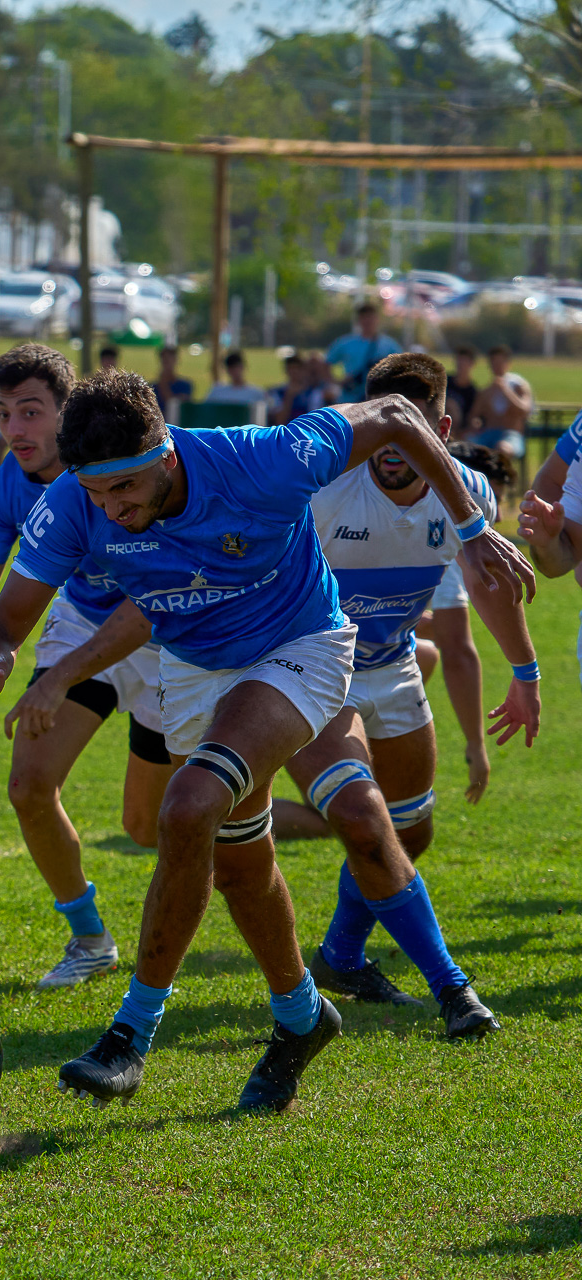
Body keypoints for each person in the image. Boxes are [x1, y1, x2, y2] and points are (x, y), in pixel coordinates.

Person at [0, 369, 533, 1111]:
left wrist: (472, 528)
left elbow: (397, 413)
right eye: (100, 494)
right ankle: (301, 1016)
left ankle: (130, 1035)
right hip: (196, 669)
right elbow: (3, 622)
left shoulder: (264, 457)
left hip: (300, 651)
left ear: (167, 453)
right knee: (240, 866)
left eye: (127, 489)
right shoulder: (75, 504)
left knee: (186, 805)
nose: (115, 510)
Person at [263, 355, 528, 1031]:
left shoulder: (467, 491)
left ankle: (342, 956)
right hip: (312, 671)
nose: (389, 446)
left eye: (407, 428)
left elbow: (487, 587)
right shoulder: (324, 488)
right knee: (361, 815)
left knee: (414, 827)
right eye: (375, 426)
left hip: (394, 665)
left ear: (440, 427)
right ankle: (453, 991)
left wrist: (525, 674)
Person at [0, 343, 172, 989]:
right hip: (80, 625)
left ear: (68, 412)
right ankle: (89, 938)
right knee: (28, 785)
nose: (16, 429)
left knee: (146, 826)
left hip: (165, 638)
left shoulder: (132, 467)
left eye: (31, 411)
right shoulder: (8, 486)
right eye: (3, 413)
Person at [467, 345, 531, 475]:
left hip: (510, 435)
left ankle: (499, 486)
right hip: (487, 433)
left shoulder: (518, 386)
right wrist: (475, 423)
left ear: (508, 364)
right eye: (493, 363)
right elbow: (473, 416)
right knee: (467, 446)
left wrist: (506, 391)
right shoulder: (486, 391)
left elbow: (525, 410)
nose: (496, 367)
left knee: (502, 448)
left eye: (499, 363)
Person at [326, 300, 402, 400]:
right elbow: (326, 364)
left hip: (377, 399)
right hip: (350, 397)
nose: (367, 320)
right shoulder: (345, 343)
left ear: (377, 319)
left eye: (370, 317)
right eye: (364, 317)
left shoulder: (389, 345)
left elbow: (401, 369)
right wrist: (336, 382)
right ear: (358, 320)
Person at [267, 351, 323, 425]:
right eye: (291, 368)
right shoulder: (276, 392)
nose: (294, 372)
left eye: (297, 368)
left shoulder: (313, 392)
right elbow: (279, 421)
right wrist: (289, 397)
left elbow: (314, 421)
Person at [150, 345, 193, 421]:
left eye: (170, 360)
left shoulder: (185, 386)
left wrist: (164, 385)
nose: (168, 364)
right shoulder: (152, 387)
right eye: (165, 361)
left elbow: (174, 405)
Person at [445, 346, 478, 433]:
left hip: (459, 430)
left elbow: (472, 417)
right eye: (459, 360)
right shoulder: (444, 381)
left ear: (472, 364)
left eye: (464, 361)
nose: (461, 364)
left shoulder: (473, 392)